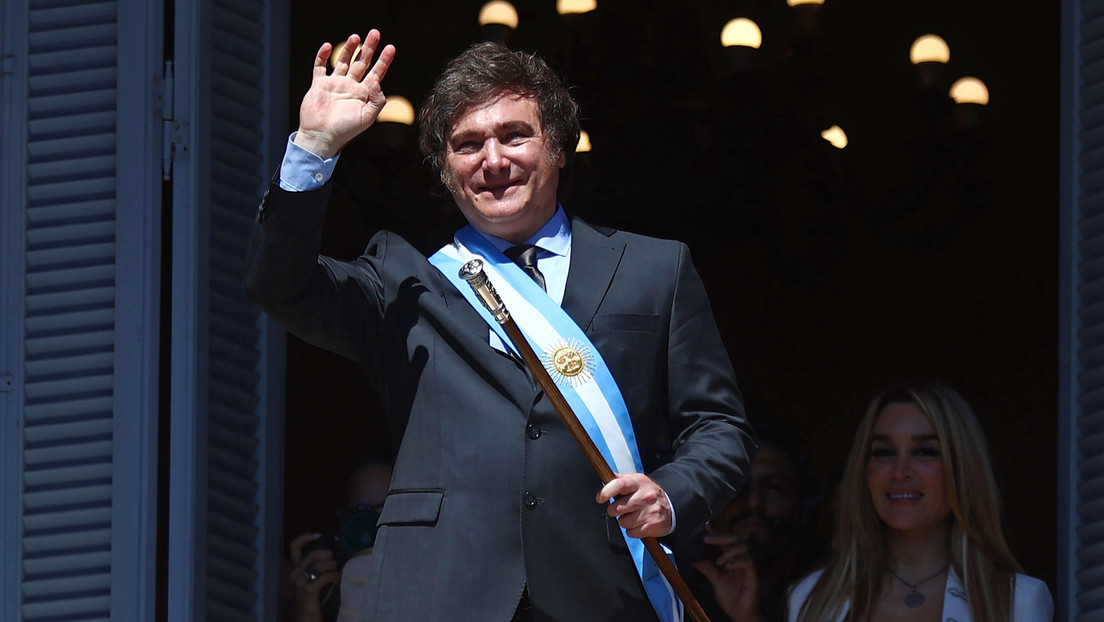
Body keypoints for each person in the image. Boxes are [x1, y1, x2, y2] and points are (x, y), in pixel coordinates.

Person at [245, 30, 754, 621]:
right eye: (467, 145)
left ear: (560, 148)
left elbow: (719, 426)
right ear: (444, 170)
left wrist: (671, 495)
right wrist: (313, 147)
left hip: (598, 592)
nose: (493, 161)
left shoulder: (653, 269)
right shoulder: (402, 279)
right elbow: (279, 286)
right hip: (439, 594)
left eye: (515, 135)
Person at [786, 380, 1053, 622]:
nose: (900, 470)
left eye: (925, 451)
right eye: (884, 452)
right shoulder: (809, 598)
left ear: (962, 468)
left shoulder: (1017, 601)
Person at [686, 418, 826, 622]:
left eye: (773, 487)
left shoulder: (827, 590)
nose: (753, 502)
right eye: (738, 488)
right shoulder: (678, 589)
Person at [285, 460, 394, 622]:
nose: (372, 529)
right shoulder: (342, 595)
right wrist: (307, 615)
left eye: (387, 510)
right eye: (361, 515)